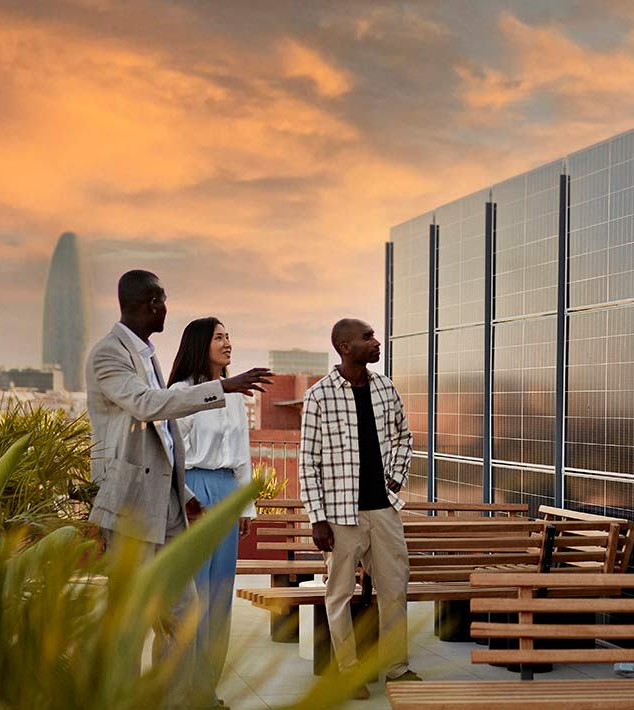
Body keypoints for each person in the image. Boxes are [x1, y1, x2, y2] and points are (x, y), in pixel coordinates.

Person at [86, 270, 271, 710]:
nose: (167, 308)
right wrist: (223, 386)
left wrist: (183, 494)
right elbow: (149, 407)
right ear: (150, 303)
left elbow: (166, 440)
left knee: (187, 613)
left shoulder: (146, 355)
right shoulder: (109, 354)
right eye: (163, 300)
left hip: (168, 502)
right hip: (131, 504)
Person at [298, 318, 419, 698]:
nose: (376, 341)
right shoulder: (319, 396)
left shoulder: (385, 388)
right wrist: (317, 518)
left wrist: (396, 474)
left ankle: (397, 669)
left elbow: (403, 435)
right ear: (345, 347)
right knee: (338, 595)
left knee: (395, 589)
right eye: (367, 337)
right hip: (339, 515)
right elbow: (308, 462)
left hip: (383, 510)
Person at [167, 317, 255, 709]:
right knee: (192, 596)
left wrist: (245, 504)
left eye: (229, 335)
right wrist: (187, 497)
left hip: (225, 491)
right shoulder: (181, 392)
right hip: (192, 493)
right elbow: (171, 455)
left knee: (220, 595)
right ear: (200, 343)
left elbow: (242, 456)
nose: (227, 342)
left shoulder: (234, 395)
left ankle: (207, 690)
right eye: (219, 337)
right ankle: (181, 691)